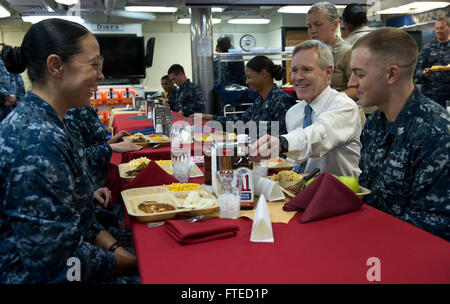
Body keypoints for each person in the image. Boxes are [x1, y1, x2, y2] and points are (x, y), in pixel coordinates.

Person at [0, 19, 139, 283]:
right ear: (56, 66)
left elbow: (76, 221)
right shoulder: (38, 141)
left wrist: (117, 250)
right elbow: (55, 263)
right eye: (94, 65)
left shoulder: (53, 122)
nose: (101, 75)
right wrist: (131, 265)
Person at [348, 27, 450, 241]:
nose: (351, 83)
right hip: (373, 240)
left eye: (359, 74)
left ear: (391, 74)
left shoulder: (436, 132)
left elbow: (431, 227)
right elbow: (369, 192)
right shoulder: (375, 121)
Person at [251, 40, 361, 178]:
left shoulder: (344, 106)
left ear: (328, 72)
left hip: (337, 195)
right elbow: (298, 157)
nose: (298, 78)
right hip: (301, 190)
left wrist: (282, 143)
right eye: (294, 70)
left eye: (306, 70)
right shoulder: (293, 113)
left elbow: (318, 135)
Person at [192, 55, 296, 137]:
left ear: (264, 73)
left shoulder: (282, 101)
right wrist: (212, 118)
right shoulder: (259, 101)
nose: (247, 82)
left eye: (249, 77)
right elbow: (242, 123)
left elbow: (279, 140)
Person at [307, 2, 366, 125]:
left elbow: (359, 89)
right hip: (323, 119)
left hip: (346, 119)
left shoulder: (348, 52)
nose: (312, 30)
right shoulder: (312, 55)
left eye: (318, 25)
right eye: (309, 26)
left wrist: (328, 99)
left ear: (334, 25)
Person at [413, 17, 450, 108]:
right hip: (432, 98)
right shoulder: (427, 48)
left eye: (441, 28)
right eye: (436, 28)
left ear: (449, 28)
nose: (438, 31)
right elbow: (415, 72)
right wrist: (423, 73)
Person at [0, 49, 26, 121]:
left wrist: (20, 101)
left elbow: (20, 85)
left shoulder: (13, 66)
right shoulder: (1, 65)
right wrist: (6, 96)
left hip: (13, 110)